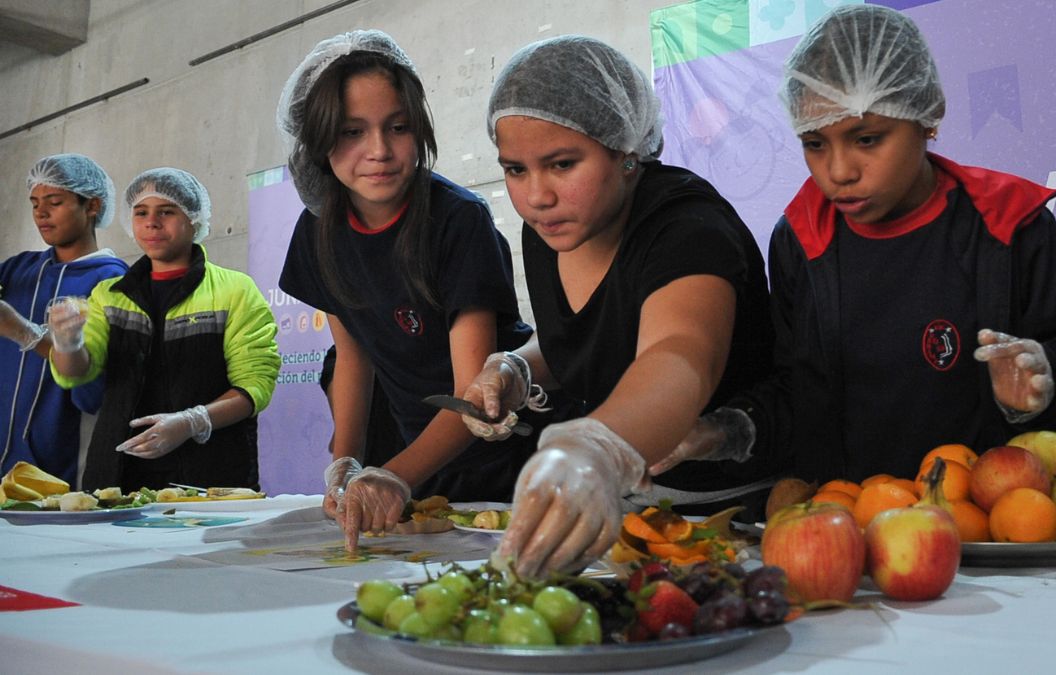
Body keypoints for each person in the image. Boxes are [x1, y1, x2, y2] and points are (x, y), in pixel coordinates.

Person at [659, 4, 1056, 486]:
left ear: (927, 116)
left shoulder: (1009, 223)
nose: (839, 172)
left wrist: (1041, 390)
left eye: (867, 138)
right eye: (815, 143)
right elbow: (798, 394)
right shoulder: (800, 239)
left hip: (992, 534)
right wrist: (723, 431)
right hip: (852, 530)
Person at [462, 35, 779, 578]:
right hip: (629, 509)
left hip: (735, 518)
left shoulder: (687, 228)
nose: (536, 195)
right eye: (515, 170)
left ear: (627, 150)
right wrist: (518, 366)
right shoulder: (550, 231)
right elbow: (588, 335)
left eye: (562, 164)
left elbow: (680, 355)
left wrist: (594, 449)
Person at [275, 30, 544, 552]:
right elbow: (354, 357)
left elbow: (474, 394)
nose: (378, 151)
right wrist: (347, 463)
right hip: (418, 458)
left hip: (505, 460)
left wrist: (391, 475)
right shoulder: (318, 229)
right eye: (352, 131)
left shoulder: (456, 219)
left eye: (398, 128)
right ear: (318, 139)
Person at [48, 168, 281, 492]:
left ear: (194, 219)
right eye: (141, 212)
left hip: (210, 476)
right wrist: (68, 343)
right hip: (117, 474)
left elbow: (254, 386)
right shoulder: (109, 294)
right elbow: (76, 374)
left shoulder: (235, 290)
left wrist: (192, 422)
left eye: (166, 212)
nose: (151, 223)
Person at [0, 154, 128, 487]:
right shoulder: (18, 271)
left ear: (93, 206)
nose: (41, 213)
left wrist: (24, 332)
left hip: (62, 471)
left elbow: (93, 392)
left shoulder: (112, 283)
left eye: (54, 202)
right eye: (34, 203)